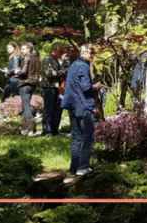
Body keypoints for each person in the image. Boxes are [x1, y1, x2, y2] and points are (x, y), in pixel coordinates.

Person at [63, 42, 104, 181]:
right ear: (85, 53)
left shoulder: (73, 65)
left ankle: (73, 169)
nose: (92, 57)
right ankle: (83, 167)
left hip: (71, 105)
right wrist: (96, 87)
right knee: (88, 137)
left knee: (76, 138)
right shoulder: (83, 66)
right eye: (91, 54)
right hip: (83, 106)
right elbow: (86, 87)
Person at [41, 43, 68, 136]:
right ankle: (47, 131)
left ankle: (54, 130)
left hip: (56, 88)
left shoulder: (56, 60)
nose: (61, 54)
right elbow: (50, 73)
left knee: (57, 110)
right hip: (48, 88)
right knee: (49, 110)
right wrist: (63, 71)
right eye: (60, 52)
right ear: (55, 50)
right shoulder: (47, 59)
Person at [16, 41, 41, 136]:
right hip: (33, 84)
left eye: (23, 49)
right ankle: (28, 128)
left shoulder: (27, 57)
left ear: (29, 49)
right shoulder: (37, 58)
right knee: (27, 105)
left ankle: (30, 128)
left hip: (25, 83)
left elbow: (23, 72)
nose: (21, 51)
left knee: (25, 106)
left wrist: (17, 71)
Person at [0, 41, 20, 109]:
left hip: (15, 80)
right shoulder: (13, 57)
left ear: (15, 49)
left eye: (10, 48)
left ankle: (7, 110)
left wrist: (7, 72)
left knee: (10, 97)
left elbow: (15, 70)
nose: (8, 50)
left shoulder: (15, 57)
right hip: (13, 79)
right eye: (7, 48)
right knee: (6, 96)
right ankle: (6, 110)